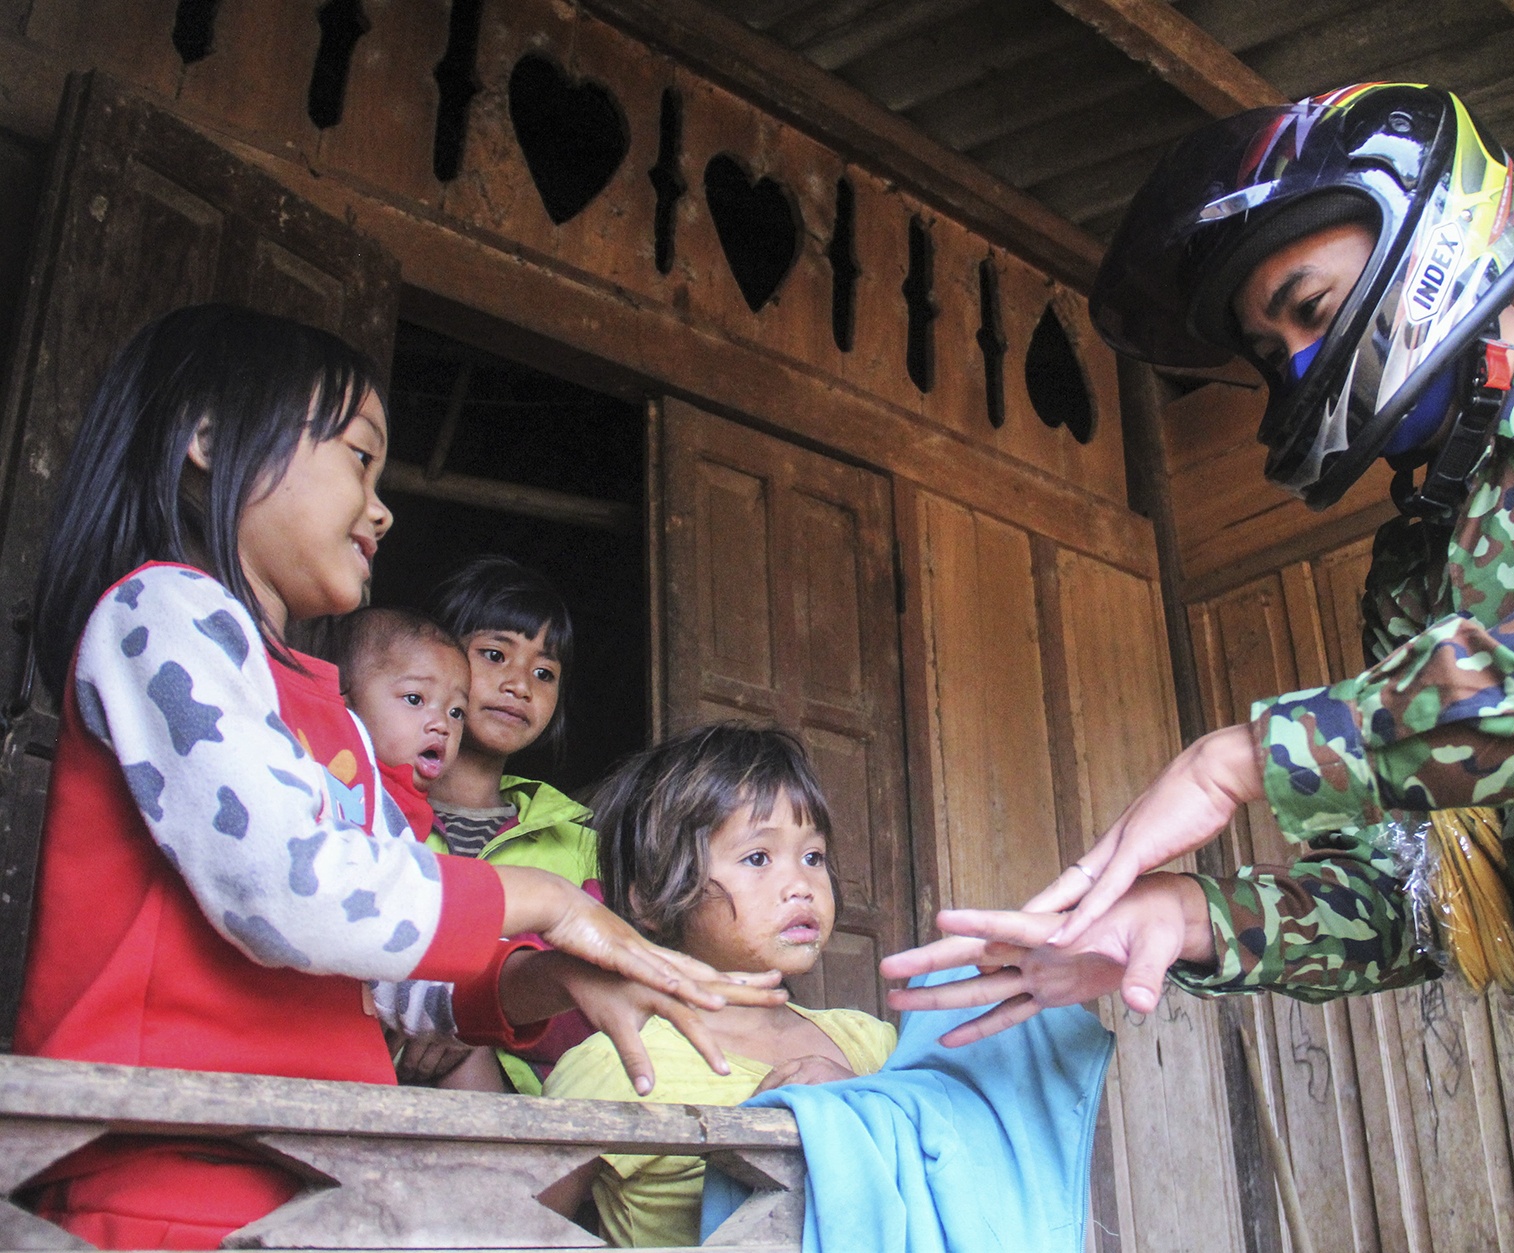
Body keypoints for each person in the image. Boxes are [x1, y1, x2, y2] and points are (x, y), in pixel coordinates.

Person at [884, 83, 1514, 1251]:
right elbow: (1433, 898)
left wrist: (1246, 758)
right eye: (1270, 351)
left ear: (1424, 222)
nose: (1297, 360)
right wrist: (1191, 915)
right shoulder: (1418, 570)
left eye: (1306, 305)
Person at [14, 305, 784, 1249]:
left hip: (321, 1181)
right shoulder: (163, 611)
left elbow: (380, 969)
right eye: (358, 457)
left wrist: (552, 981)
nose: (382, 507)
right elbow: (287, 893)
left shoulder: (331, 716)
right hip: (166, 1182)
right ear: (210, 435)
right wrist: (540, 897)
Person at [542, 723, 896, 1247]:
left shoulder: (872, 1042)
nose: (801, 885)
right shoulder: (624, 1062)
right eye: (758, 858)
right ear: (651, 900)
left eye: (813, 857)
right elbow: (512, 1220)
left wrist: (864, 1103)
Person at [413, 555, 603, 1093]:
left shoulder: (578, 844)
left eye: (544, 673)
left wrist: (470, 1023)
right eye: (496, 655)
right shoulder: (372, 810)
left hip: (519, 1098)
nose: (521, 684)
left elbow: (583, 1004)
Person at [329, 606, 470, 841]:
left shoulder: (409, 798)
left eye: (456, 712)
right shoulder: (338, 775)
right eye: (415, 699)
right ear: (345, 700)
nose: (443, 725)